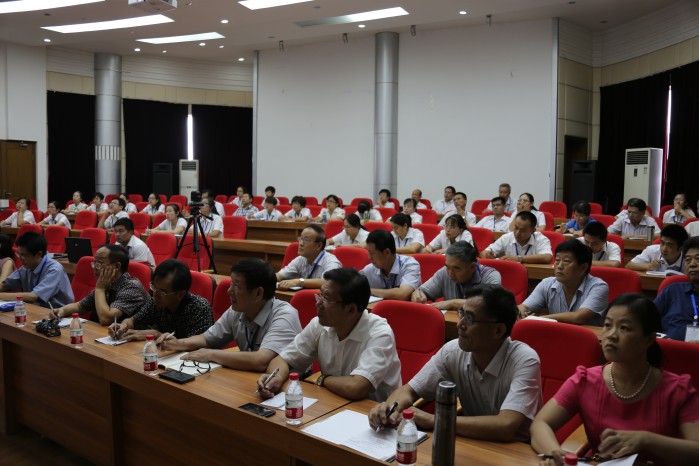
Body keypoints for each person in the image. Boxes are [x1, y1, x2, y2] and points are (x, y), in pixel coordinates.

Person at [531, 294, 699, 465]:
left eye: (624, 328)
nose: (611, 335)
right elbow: (541, 423)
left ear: (649, 339)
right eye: (607, 325)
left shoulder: (677, 390)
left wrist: (647, 440)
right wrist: (556, 455)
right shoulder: (585, 380)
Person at [369, 284, 542, 442]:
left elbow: (506, 425)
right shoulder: (453, 351)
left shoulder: (524, 360)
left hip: (516, 450)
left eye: (470, 318)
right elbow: (410, 391)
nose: (460, 324)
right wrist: (388, 410)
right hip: (471, 440)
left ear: (498, 330)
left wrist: (436, 420)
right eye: (462, 314)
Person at [258, 268, 401, 401]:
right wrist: (275, 378)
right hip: (333, 400)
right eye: (320, 295)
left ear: (351, 309)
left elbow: (356, 388)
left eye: (326, 299)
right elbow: (282, 360)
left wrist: (323, 379)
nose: (318, 304)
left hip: (374, 411)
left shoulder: (380, 334)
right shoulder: (319, 324)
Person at [158, 259, 302, 371]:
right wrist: (178, 343)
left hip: (292, 386)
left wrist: (210, 354)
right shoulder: (237, 310)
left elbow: (261, 361)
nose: (229, 291)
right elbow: (207, 339)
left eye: (236, 286)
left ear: (258, 293)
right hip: (253, 378)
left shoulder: (284, 315)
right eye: (231, 284)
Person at [109, 259, 214, 341]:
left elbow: (196, 348)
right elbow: (133, 320)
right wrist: (123, 326)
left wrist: (157, 334)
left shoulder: (200, 308)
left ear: (180, 294)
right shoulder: (156, 302)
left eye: (162, 292)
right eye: (154, 287)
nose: (155, 294)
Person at [518, 239, 609, 326]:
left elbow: (578, 317)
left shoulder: (598, 287)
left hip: (587, 336)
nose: (559, 266)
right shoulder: (547, 284)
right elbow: (524, 307)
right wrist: (521, 310)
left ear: (583, 267)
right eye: (557, 260)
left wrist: (542, 319)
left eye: (566, 261)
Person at [53, 244, 149, 325]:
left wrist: (100, 289)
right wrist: (61, 311)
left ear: (117, 266)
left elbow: (106, 319)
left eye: (99, 263)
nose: (95, 268)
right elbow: (80, 306)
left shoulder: (131, 287)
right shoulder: (107, 283)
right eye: (94, 263)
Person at [412, 241, 501, 310]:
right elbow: (420, 291)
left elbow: (491, 303)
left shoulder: (491, 275)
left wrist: (453, 303)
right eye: (448, 267)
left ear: (472, 267)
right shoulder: (445, 272)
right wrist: (418, 295)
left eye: (456, 268)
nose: (450, 274)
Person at [0, 232, 74, 307]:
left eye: (24, 255)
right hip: (35, 309)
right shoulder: (26, 267)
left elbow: (33, 297)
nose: (20, 258)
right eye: (19, 254)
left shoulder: (54, 269)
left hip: (58, 312)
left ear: (39, 254)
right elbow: (4, 285)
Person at [654, 236, 699, 340]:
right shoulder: (672, 291)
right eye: (688, 260)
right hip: (669, 348)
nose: (692, 264)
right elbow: (646, 320)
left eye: (698, 259)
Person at [359, 230, 421, 300]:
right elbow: (354, 286)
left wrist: (368, 291)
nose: (369, 257)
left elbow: (403, 294)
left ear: (387, 252)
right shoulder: (369, 269)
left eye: (372, 253)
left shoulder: (410, 265)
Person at [276, 224, 341, 290]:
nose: (301, 243)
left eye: (306, 240)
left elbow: (328, 282)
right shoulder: (300, 259)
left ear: (319, 246)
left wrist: (299, 282)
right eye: (301, 238)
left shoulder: (331, 261)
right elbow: (280, 275)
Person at [481, 211, 553, 264]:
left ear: (533, 231)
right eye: (516, 228)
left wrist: (519, 258)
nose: (517, 233)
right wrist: (487, 254)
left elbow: (547, 257)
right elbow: (484, 252)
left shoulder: (541, 239)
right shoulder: (506, 237)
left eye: (523, 231)